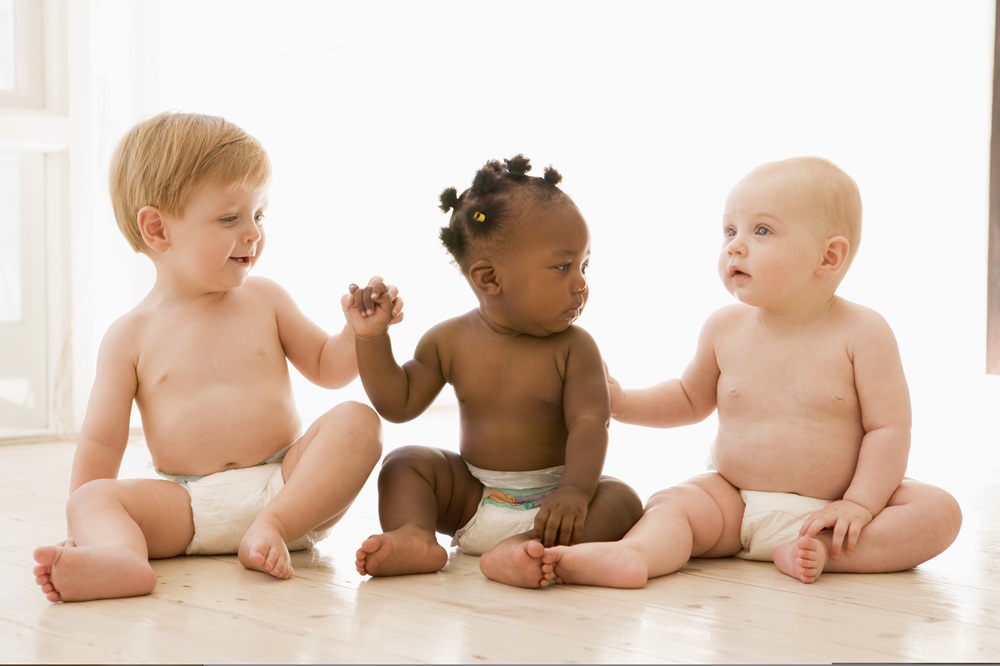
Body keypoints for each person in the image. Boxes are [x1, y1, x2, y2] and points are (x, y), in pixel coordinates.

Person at [539, 156, 963, 588]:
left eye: (761, 231)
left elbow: (888, 430)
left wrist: (859, 505)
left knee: (937, 511)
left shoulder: (864, 332)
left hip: (834, 510)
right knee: (675, 503)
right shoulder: (725, 328)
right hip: (734, 502)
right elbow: (687, 398)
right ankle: (636, 556)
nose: (735, 246)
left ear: (829, 257)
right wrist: (622, 400)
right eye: (729, 231)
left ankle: (819, 553)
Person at [32, 111, 400, 602]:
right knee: (91, 498)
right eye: (230, 218)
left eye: (259, 214)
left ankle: (269, 529)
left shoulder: (265, 299)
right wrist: (83, 523)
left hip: (286, 489)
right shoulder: (129, 335)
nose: (253, 233)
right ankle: (119, 558)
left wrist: (360, 333)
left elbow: (329, 369)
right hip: (186, 504)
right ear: (158, 230)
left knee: (358, 420)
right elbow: (101, 441)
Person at [343, 155, 643, 588]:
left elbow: (590, 422)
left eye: (584, 266)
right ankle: (414, 536)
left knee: (622, 501)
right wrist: (371, 339)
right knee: (405, 464)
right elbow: (398, 403)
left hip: (554, 504)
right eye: (563, 267)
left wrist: (575, 493)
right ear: (489, 279)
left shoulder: (576, 348)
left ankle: (524, 548)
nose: (580, 283)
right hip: (474, 495)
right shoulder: (448, 340)